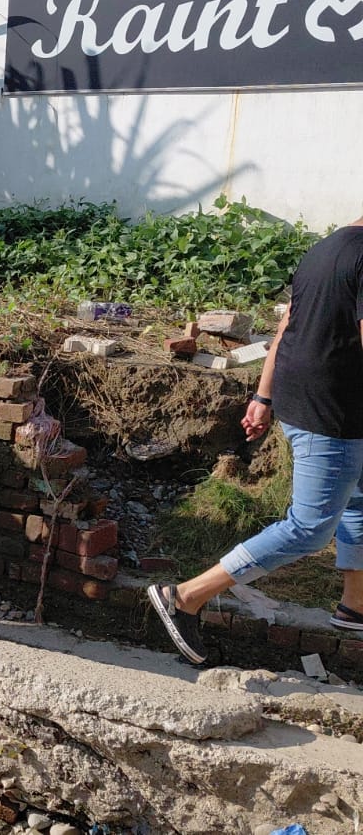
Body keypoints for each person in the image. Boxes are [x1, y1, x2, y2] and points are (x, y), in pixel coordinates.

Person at [149, 215, 363, 664]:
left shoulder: (323, 249)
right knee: (309, 527)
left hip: (304, 395)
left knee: (358, 497)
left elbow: (286, 329)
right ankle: (185, 596)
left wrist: (263, 396)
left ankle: (355, 605)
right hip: (335, 410)